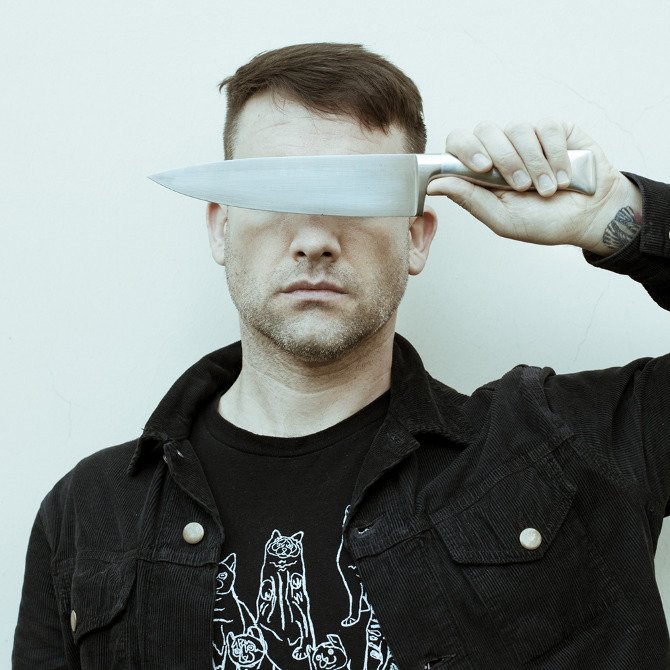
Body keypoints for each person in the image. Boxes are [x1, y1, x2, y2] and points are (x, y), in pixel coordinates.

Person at [12, 42, 670, 670]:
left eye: (356, 194)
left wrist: (622, 218)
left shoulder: (564, 448)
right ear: (220, 227)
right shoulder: (89, 514)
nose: (315, 239)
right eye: (275, 194)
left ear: (416, 237)